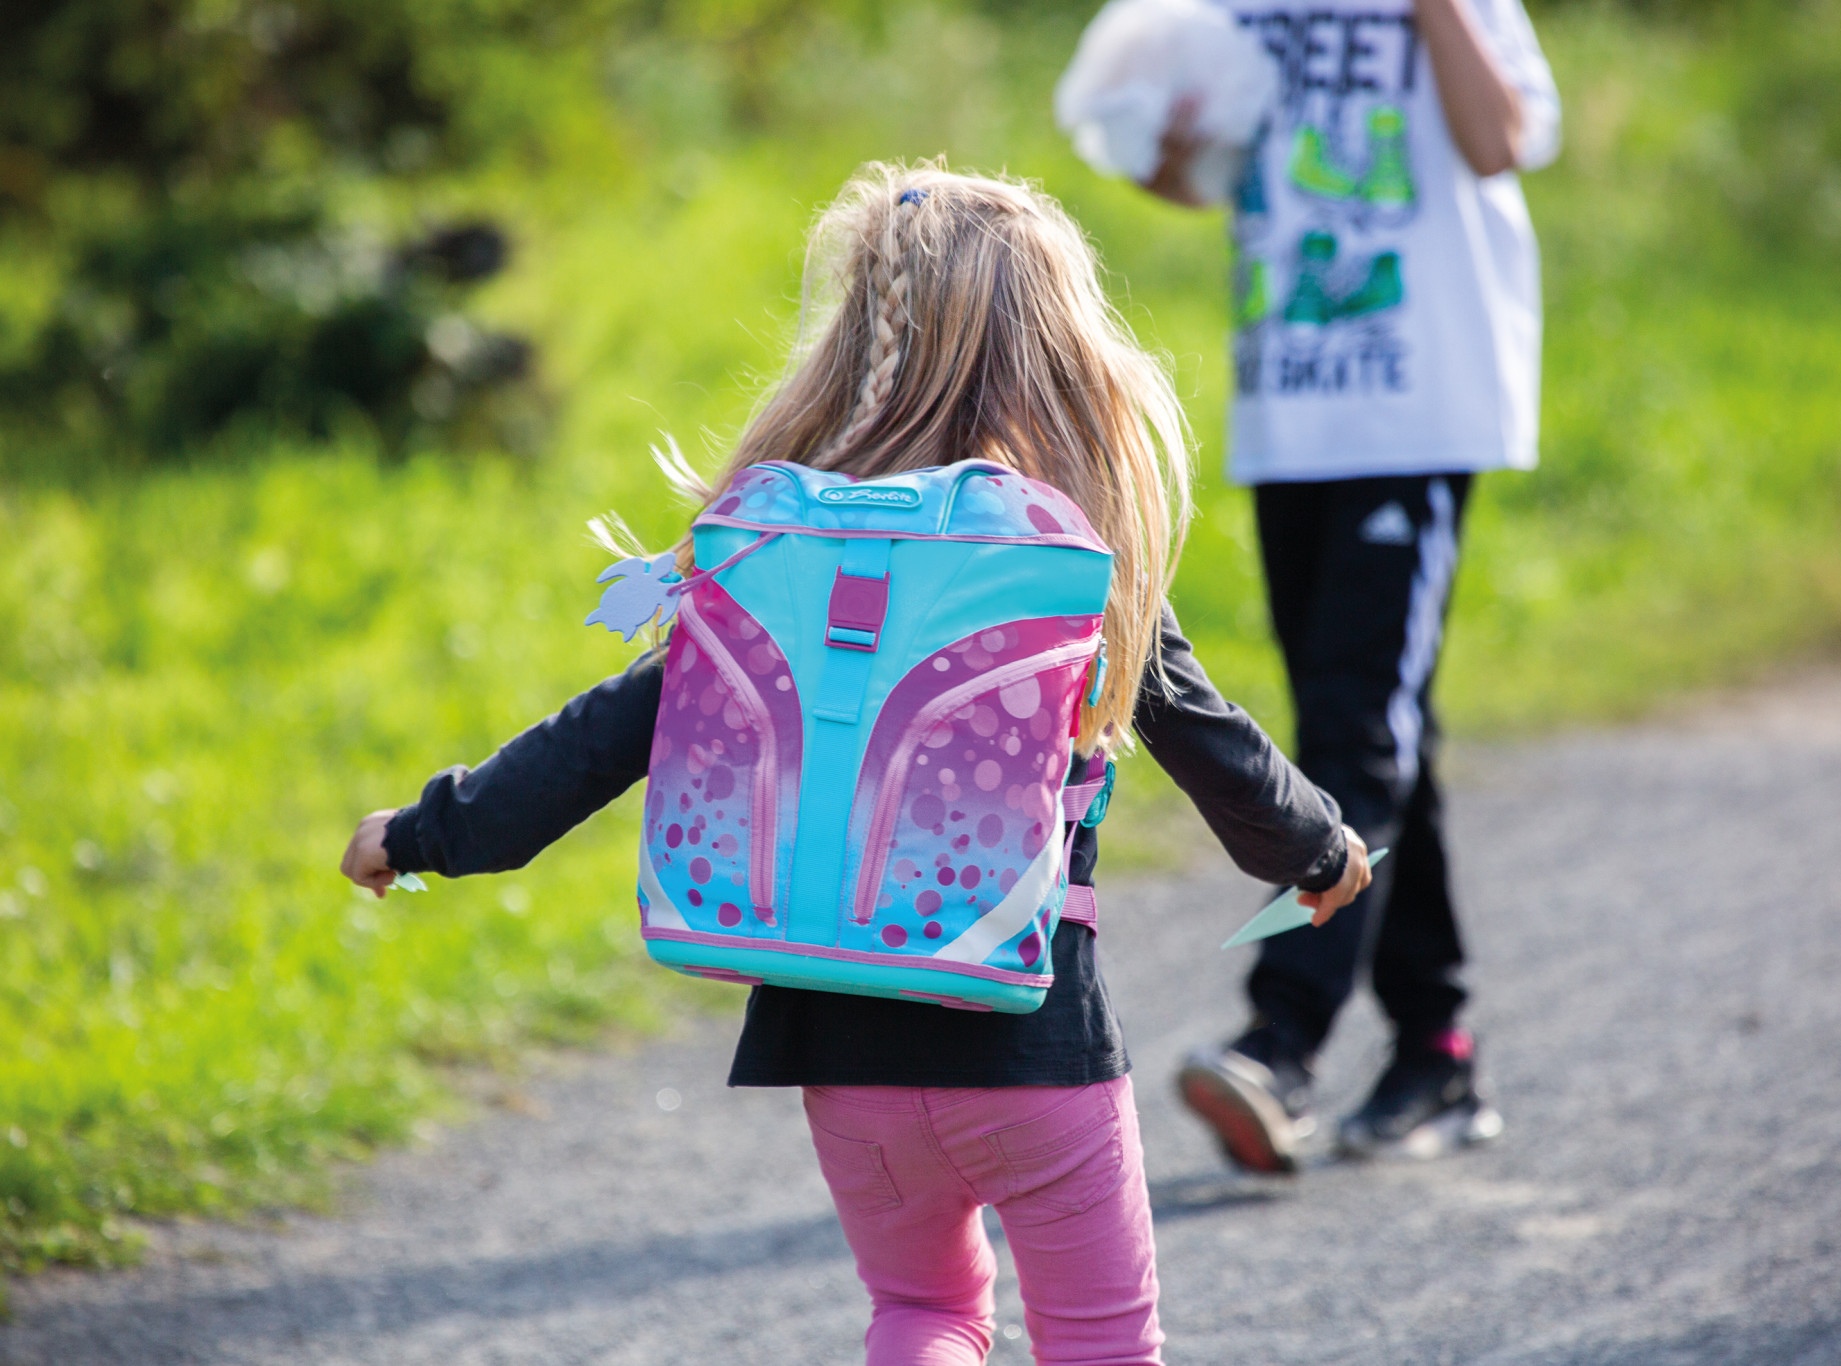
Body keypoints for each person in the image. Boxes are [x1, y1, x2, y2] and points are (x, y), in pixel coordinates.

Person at [339, 164, 1374, 1366]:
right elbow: (1208, 739)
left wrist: (422, 833)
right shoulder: (1062, 562)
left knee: (926, 1314)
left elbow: (602, 736)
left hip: (840, 1052)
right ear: (1056, 352)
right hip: (1030, 1041)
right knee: (1100, 1341)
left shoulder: (770, 549)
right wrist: (1320, 852)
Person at [1149, 0, 1561, 1172]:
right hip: (1290, 405)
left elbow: (1498, 140)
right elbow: (1190, 177)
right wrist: (1160, 126)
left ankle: (1281, 1038)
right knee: (1376, 732)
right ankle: (1435, 1047)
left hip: (1413, 406)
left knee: (1355, 728)